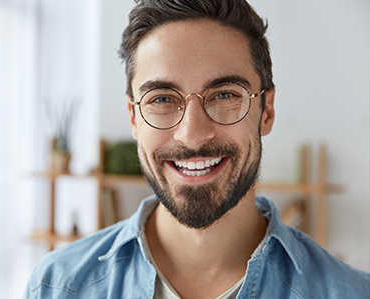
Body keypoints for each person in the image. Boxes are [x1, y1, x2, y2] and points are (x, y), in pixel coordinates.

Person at [24, 0, 370, 298]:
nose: (192, 135)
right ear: (134, 118)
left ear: (266, 110)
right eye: (161, 99)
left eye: (224, 95)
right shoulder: (58, 286)